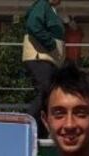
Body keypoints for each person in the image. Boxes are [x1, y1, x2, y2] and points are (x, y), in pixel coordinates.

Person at [22, 0, 65, 135]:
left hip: (48, 59)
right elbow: (33, 25)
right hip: (40, 57)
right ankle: (25, 127)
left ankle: (39, 132)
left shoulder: (49, 9)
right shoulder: (42, 5)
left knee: (48, 96)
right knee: (45, 92)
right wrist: (50, 44)